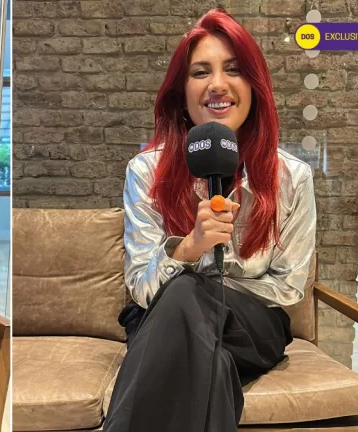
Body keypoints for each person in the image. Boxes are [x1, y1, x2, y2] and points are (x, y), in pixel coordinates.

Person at [103, 9, 316, 432]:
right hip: (161, 316)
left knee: (185, 291)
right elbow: (141, 287)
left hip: (254, 325)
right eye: (201, 72)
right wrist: (188, 249)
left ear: (254, 85)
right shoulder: (146, 172)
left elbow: (289, 287)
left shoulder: (293, 178)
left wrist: (201, 285)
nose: (217, 84)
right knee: (211, 366)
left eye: (233, 70)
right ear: (182, 92)